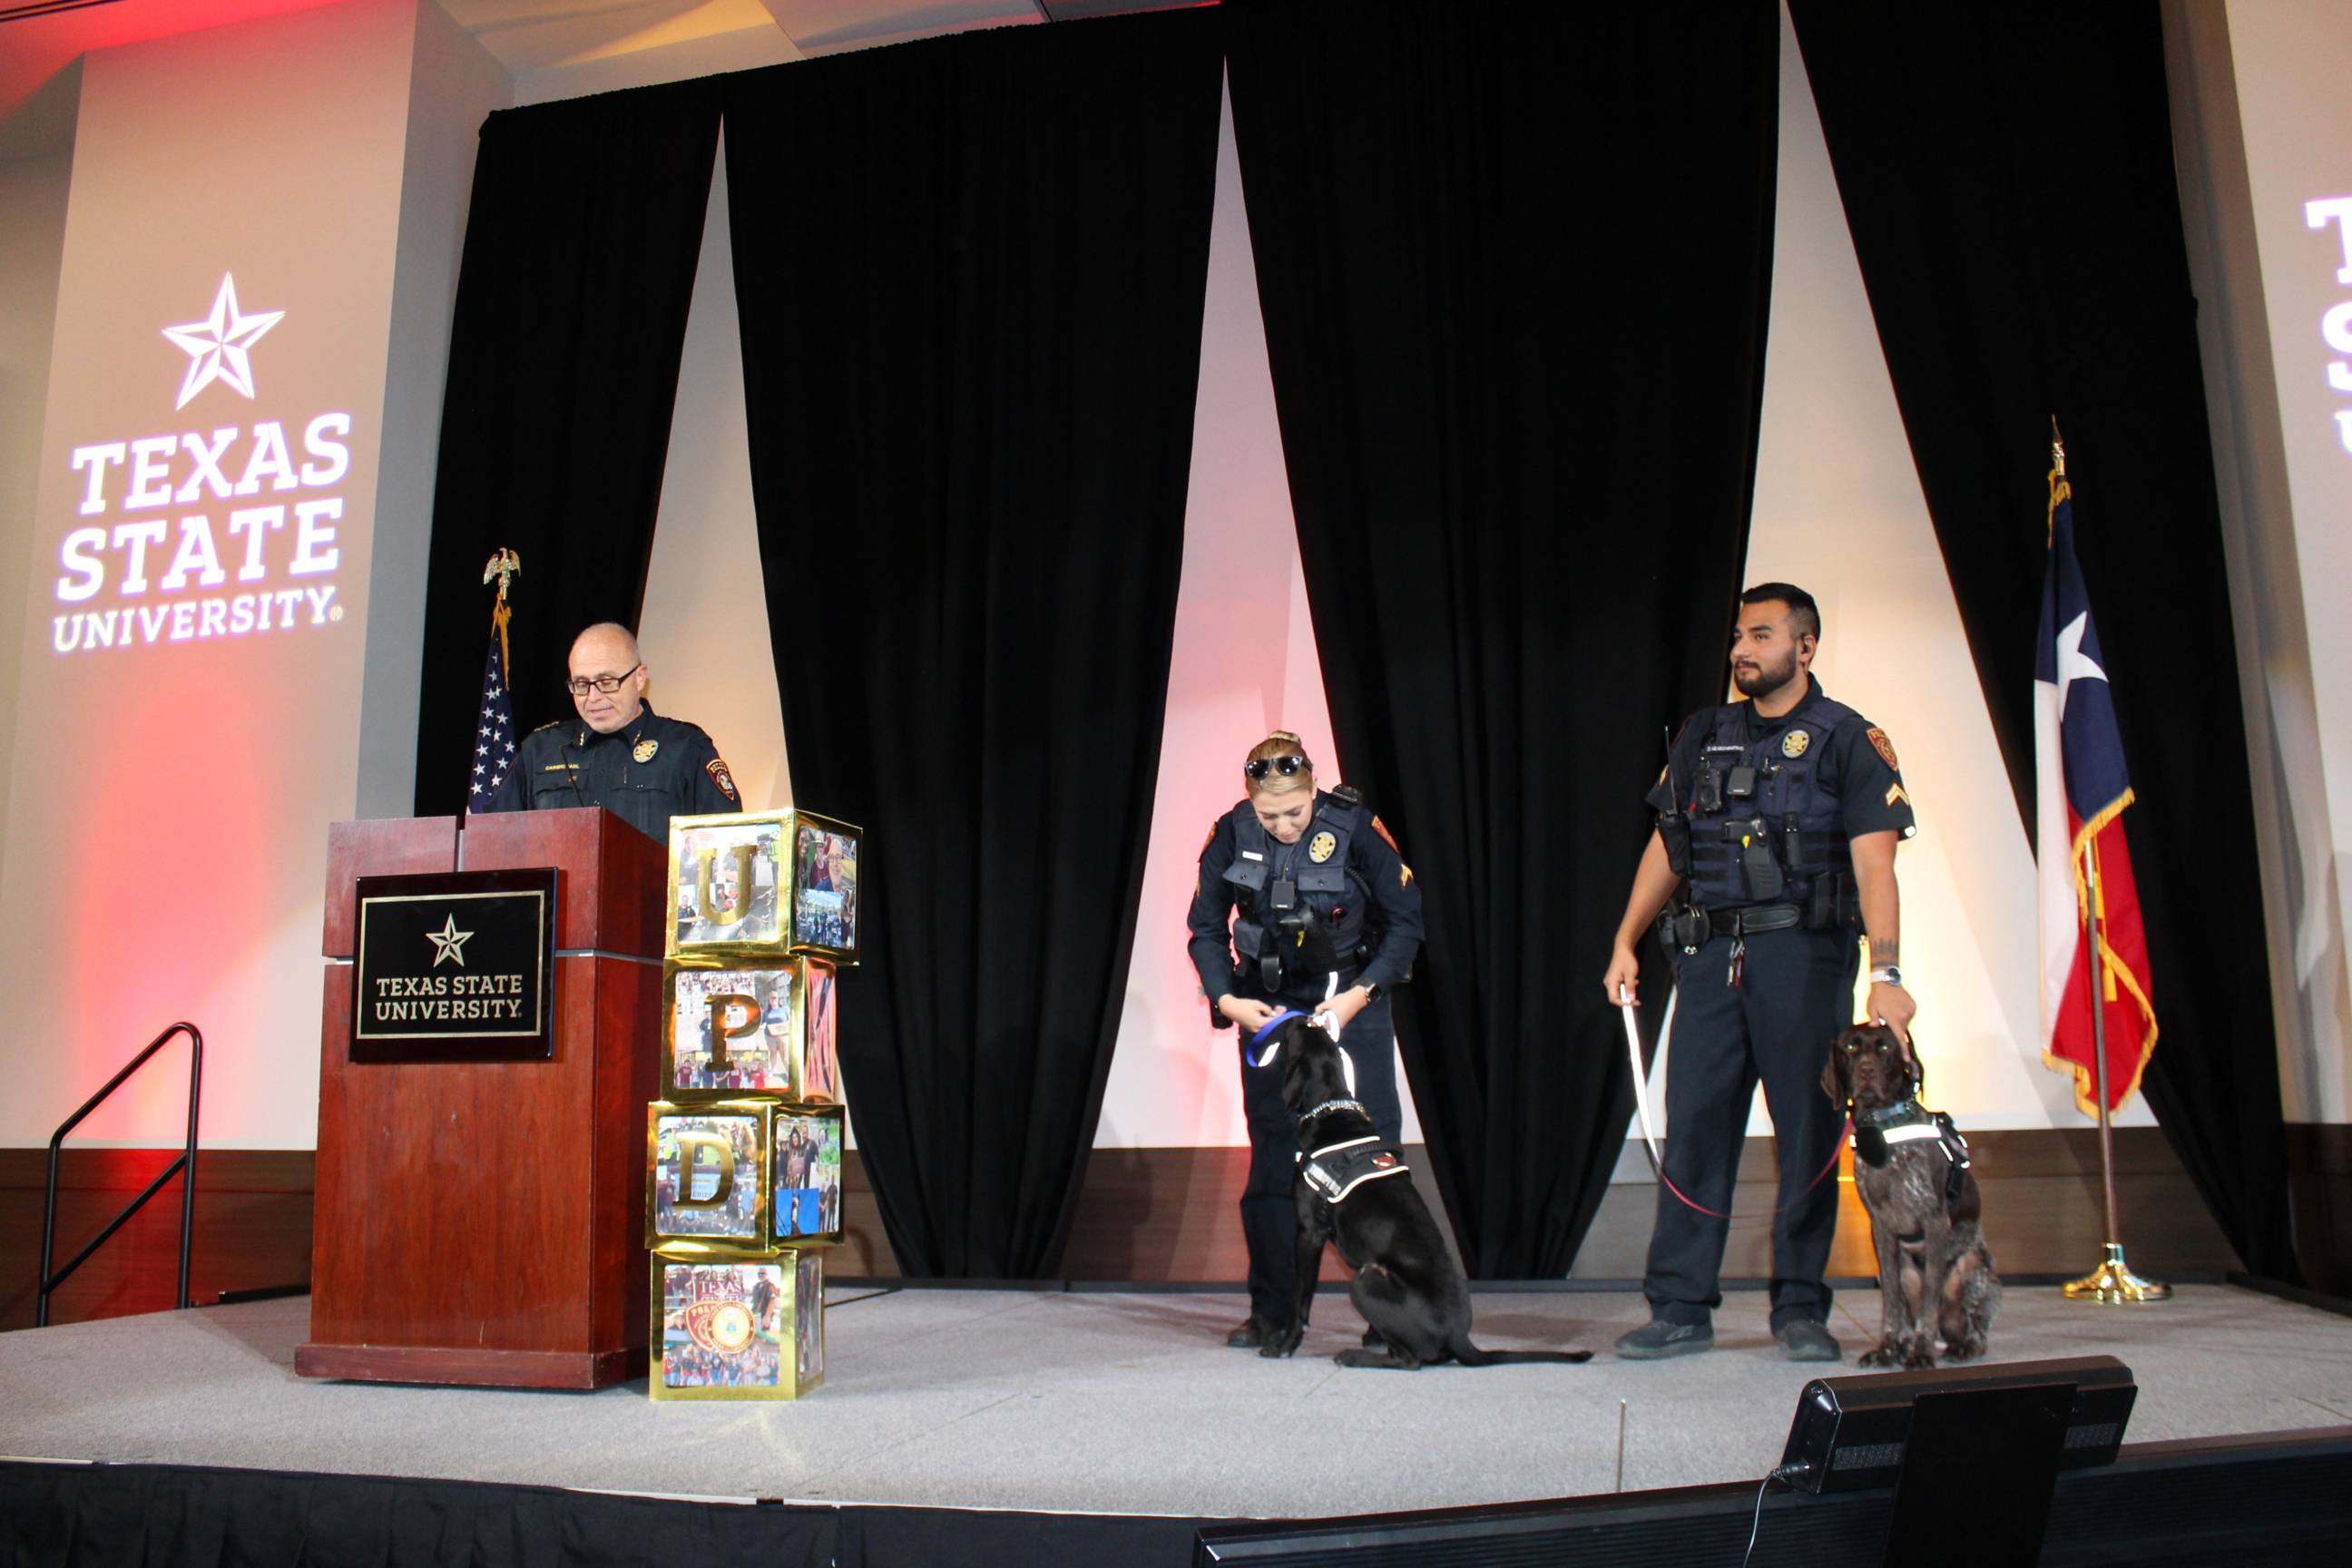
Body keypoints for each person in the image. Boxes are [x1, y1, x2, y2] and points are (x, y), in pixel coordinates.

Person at [1601, 583, 1916, 1364]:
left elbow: (1877, 865)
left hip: (1803, 959)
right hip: (1709, 958)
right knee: (1697, 1128)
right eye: (1739, 635)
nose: (1743, 649)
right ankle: (1679, 1305)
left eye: (1763, 635)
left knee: (1808, 1132)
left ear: (1804, 647)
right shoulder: (1705, 735)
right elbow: (1668, 845)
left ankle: (1802, 1308)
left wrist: (1888, 969)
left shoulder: (1848, 738)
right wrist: (1625, 938)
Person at [1188, 731, 1424, 1349]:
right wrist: (1227, 999)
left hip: (1352, 1004)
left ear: (1314, 786)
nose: (1285, 825)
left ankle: (1390, 1316)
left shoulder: (1356, 828)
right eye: (1271, 815)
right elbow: (1206, 929)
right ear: (1250, 799)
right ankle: (1272, 1312)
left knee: (1373, 1160)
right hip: (1270, 1014)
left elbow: (1406, 924)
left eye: (1295, 810)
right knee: (1271, 1159)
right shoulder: (1230, 835)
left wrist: (1358, 996)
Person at [475, 622, 740, 838]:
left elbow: (725, 843)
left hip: (652, 902)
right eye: (581, 684)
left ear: (639, 678)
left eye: (606, 682)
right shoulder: (540, 751)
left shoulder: (685, 748)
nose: (593, 697)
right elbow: (493, 840)